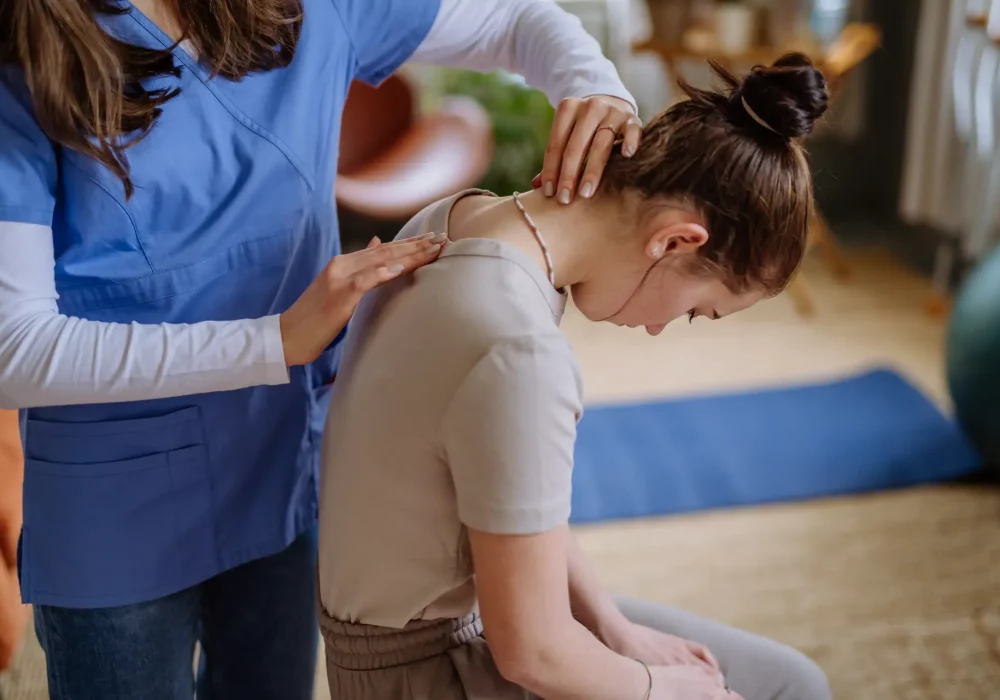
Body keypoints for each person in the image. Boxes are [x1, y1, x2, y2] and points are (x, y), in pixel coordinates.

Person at [0, 0, 642, 697]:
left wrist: (593, 82)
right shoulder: (24, 58)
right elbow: (15, 349)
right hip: (114, 499)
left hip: (283, 462)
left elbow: (511, 21)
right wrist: (274, 340)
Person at [318, 54, 835, 700]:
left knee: (789, 679)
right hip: (431, 675)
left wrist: (615, 628)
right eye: (697, 312)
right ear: (675, 241)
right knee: (788, 690)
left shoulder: (457, 219)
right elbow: (533, 652)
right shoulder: (516, 349)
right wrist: (667, 691)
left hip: (422, 644)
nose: (658, 329)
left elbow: (501, 498)